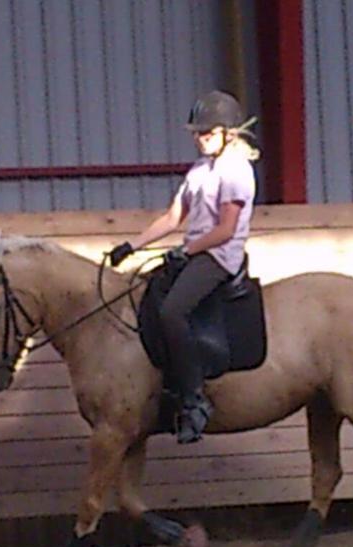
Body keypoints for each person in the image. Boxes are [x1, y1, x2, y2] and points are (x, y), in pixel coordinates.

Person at [107, 90, 259, 444]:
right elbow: (175, 216)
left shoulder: (236, 171)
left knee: (173, 311)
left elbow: (225, 229)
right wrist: (132, 246)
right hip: (195, 251)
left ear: (228, 134)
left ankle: (195, 399)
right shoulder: (199, 170)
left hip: (219, 256)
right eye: (196, 133)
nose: (198, 138)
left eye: (206, 133)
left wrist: (187, 250)